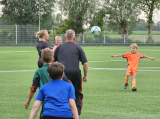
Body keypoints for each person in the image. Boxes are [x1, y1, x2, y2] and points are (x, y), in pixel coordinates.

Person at [24, 49, 69, 118]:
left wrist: (28, 101)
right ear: (53, 59)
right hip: (61, 103)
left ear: (41, 60)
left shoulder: (39, 72)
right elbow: (67, 84)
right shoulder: (58, 70)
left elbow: (33, 88)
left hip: (46, 105)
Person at [54, 29, 88, 116]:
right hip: (76, 74)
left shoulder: (59, 47)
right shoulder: (78, 48)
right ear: (74, 38)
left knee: (62, 93)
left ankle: (62, 113)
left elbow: (53, 62)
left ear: (65, 37)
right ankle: (77, 114)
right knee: (77, 94)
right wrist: (85, 76)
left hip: (62, 74)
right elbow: (85, 63)